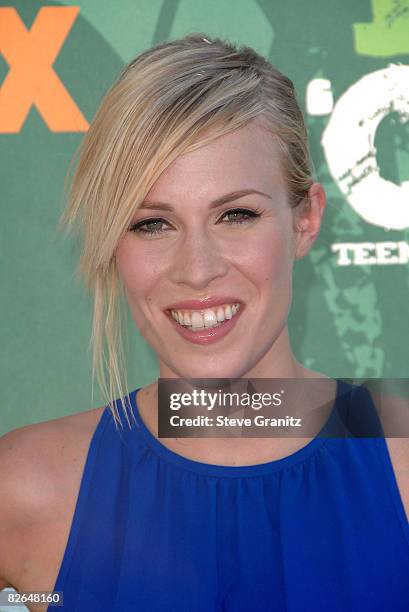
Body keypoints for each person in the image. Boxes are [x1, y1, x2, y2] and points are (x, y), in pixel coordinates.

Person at [0, 33, 408, 612]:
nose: (196, 270)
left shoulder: (401, 460)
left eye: (235, 214)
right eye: (152, 224)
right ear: (113, 243)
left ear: (306, 220)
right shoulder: (23, 490)